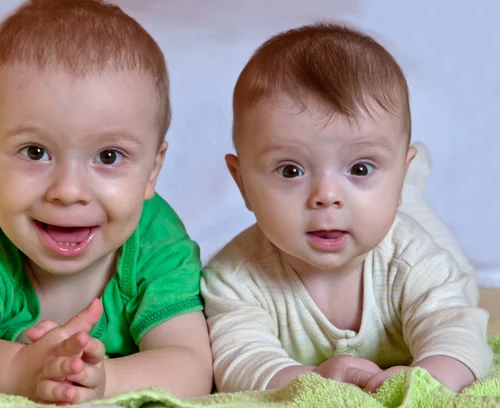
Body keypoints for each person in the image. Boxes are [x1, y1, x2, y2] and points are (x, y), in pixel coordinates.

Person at [0, 0, 212, 403]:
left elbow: (190, 363)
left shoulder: (159, 244)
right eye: (35, 152)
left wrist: (104, 379)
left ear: (152, 172)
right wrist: (19, 370)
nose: (69, 191)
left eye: (108, 157)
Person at [201, 23, 491, 394]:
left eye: (359, 168)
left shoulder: (416, 259)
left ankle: (410, 187)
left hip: (408, 235)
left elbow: (458, 332)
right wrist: (312, 383)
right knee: (374, 207)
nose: (326, 196)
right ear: (242, 183)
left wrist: (427, 379)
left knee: (458, 275)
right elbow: (240, 361)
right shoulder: (233, 279)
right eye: (291, 170)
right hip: (376, 212)